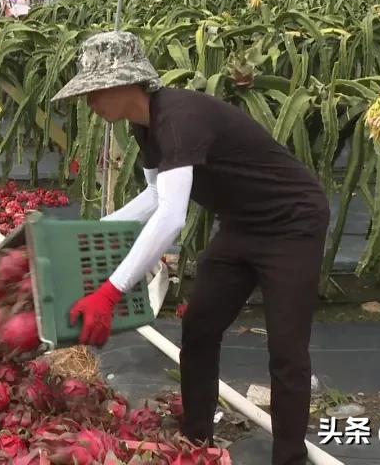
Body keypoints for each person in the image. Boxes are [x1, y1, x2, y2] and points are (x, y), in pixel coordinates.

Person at [54, 31, 330, 465]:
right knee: (200, 327)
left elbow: (172, 217)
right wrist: (93, 231)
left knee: (287, 351)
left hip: (292, 225)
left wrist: (110, 292)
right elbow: (152, 198)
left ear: (126, 83)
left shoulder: (178, 117)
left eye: (94, 91)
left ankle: (289, 458)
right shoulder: (145, 128)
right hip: (241, 224)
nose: (90, 103)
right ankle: (197, 437)